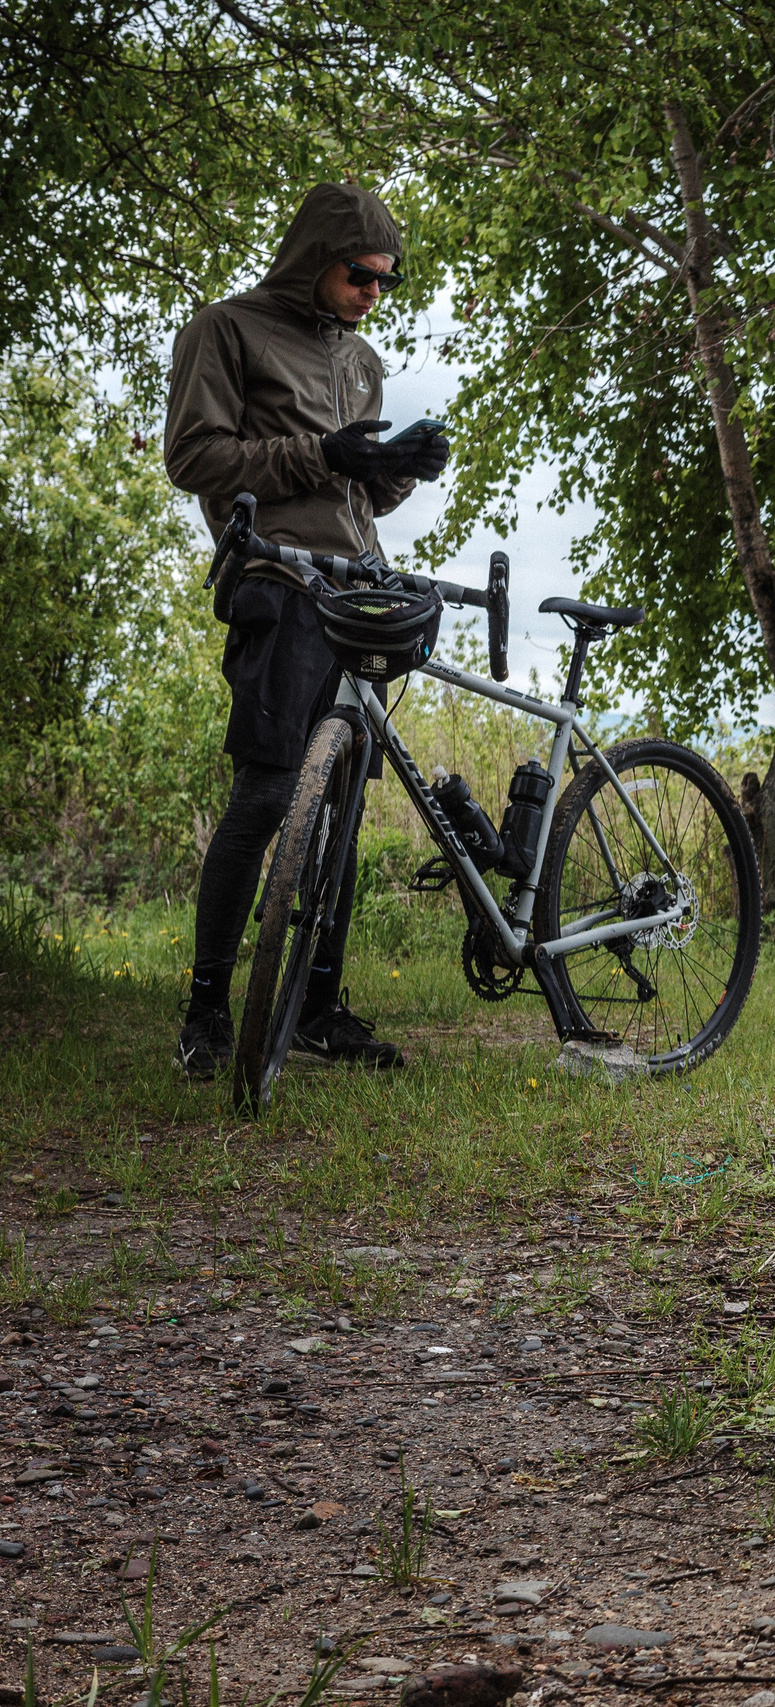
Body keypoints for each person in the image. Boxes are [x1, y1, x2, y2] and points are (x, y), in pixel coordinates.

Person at [165, 182, 451, 1079]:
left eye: (388, 281)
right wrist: (323, 453)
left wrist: (397, 468)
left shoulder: (360, 360)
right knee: (266, 793)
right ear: (313, 256)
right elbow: (195, 456)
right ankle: (208, 1010)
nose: (374, 292)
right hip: (278, 584)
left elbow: (352, 489)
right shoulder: (226, 330)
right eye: (360, 273)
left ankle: (321, 1004)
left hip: (357, 591)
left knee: (342, 803)